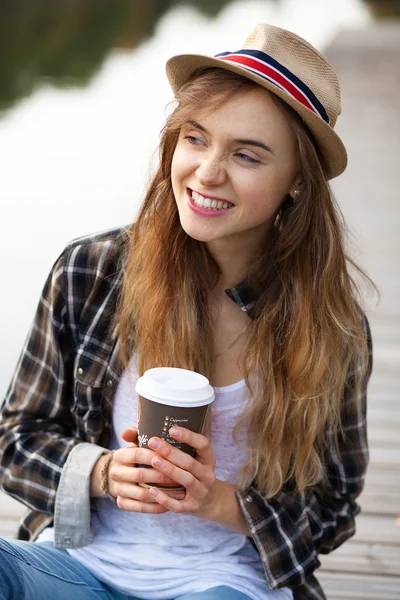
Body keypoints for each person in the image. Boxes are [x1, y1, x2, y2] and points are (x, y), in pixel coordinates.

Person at [0, 22, 373, 600]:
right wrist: (101, 472)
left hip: (225, 583)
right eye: (196, 139)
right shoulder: (92, 272)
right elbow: (15, 439)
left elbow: (334, 508)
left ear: (297, 182)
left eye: (247, 155)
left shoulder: (331, 329)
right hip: (81, 567)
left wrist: (220, 501)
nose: (206, 172)